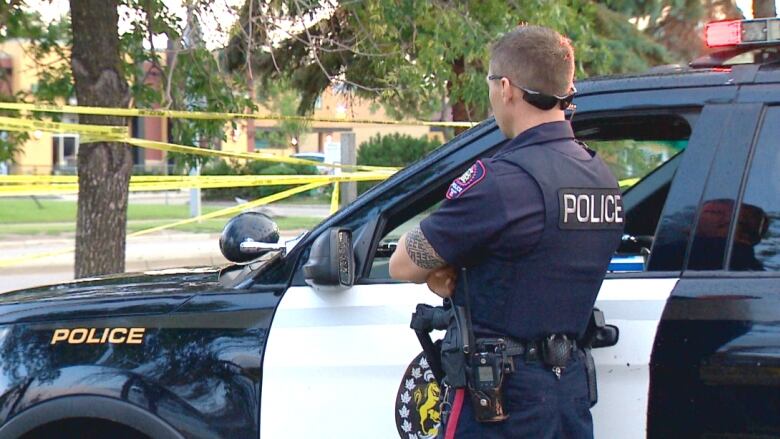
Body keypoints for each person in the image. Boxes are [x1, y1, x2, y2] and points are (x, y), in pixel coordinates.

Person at [389, 25, 624, 438]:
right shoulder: (599, 177)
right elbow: (539, 263)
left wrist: (454, 277)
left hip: (504, 402)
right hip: (568, 395)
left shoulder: (502, 182)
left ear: (506, 88)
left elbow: (403, 264)